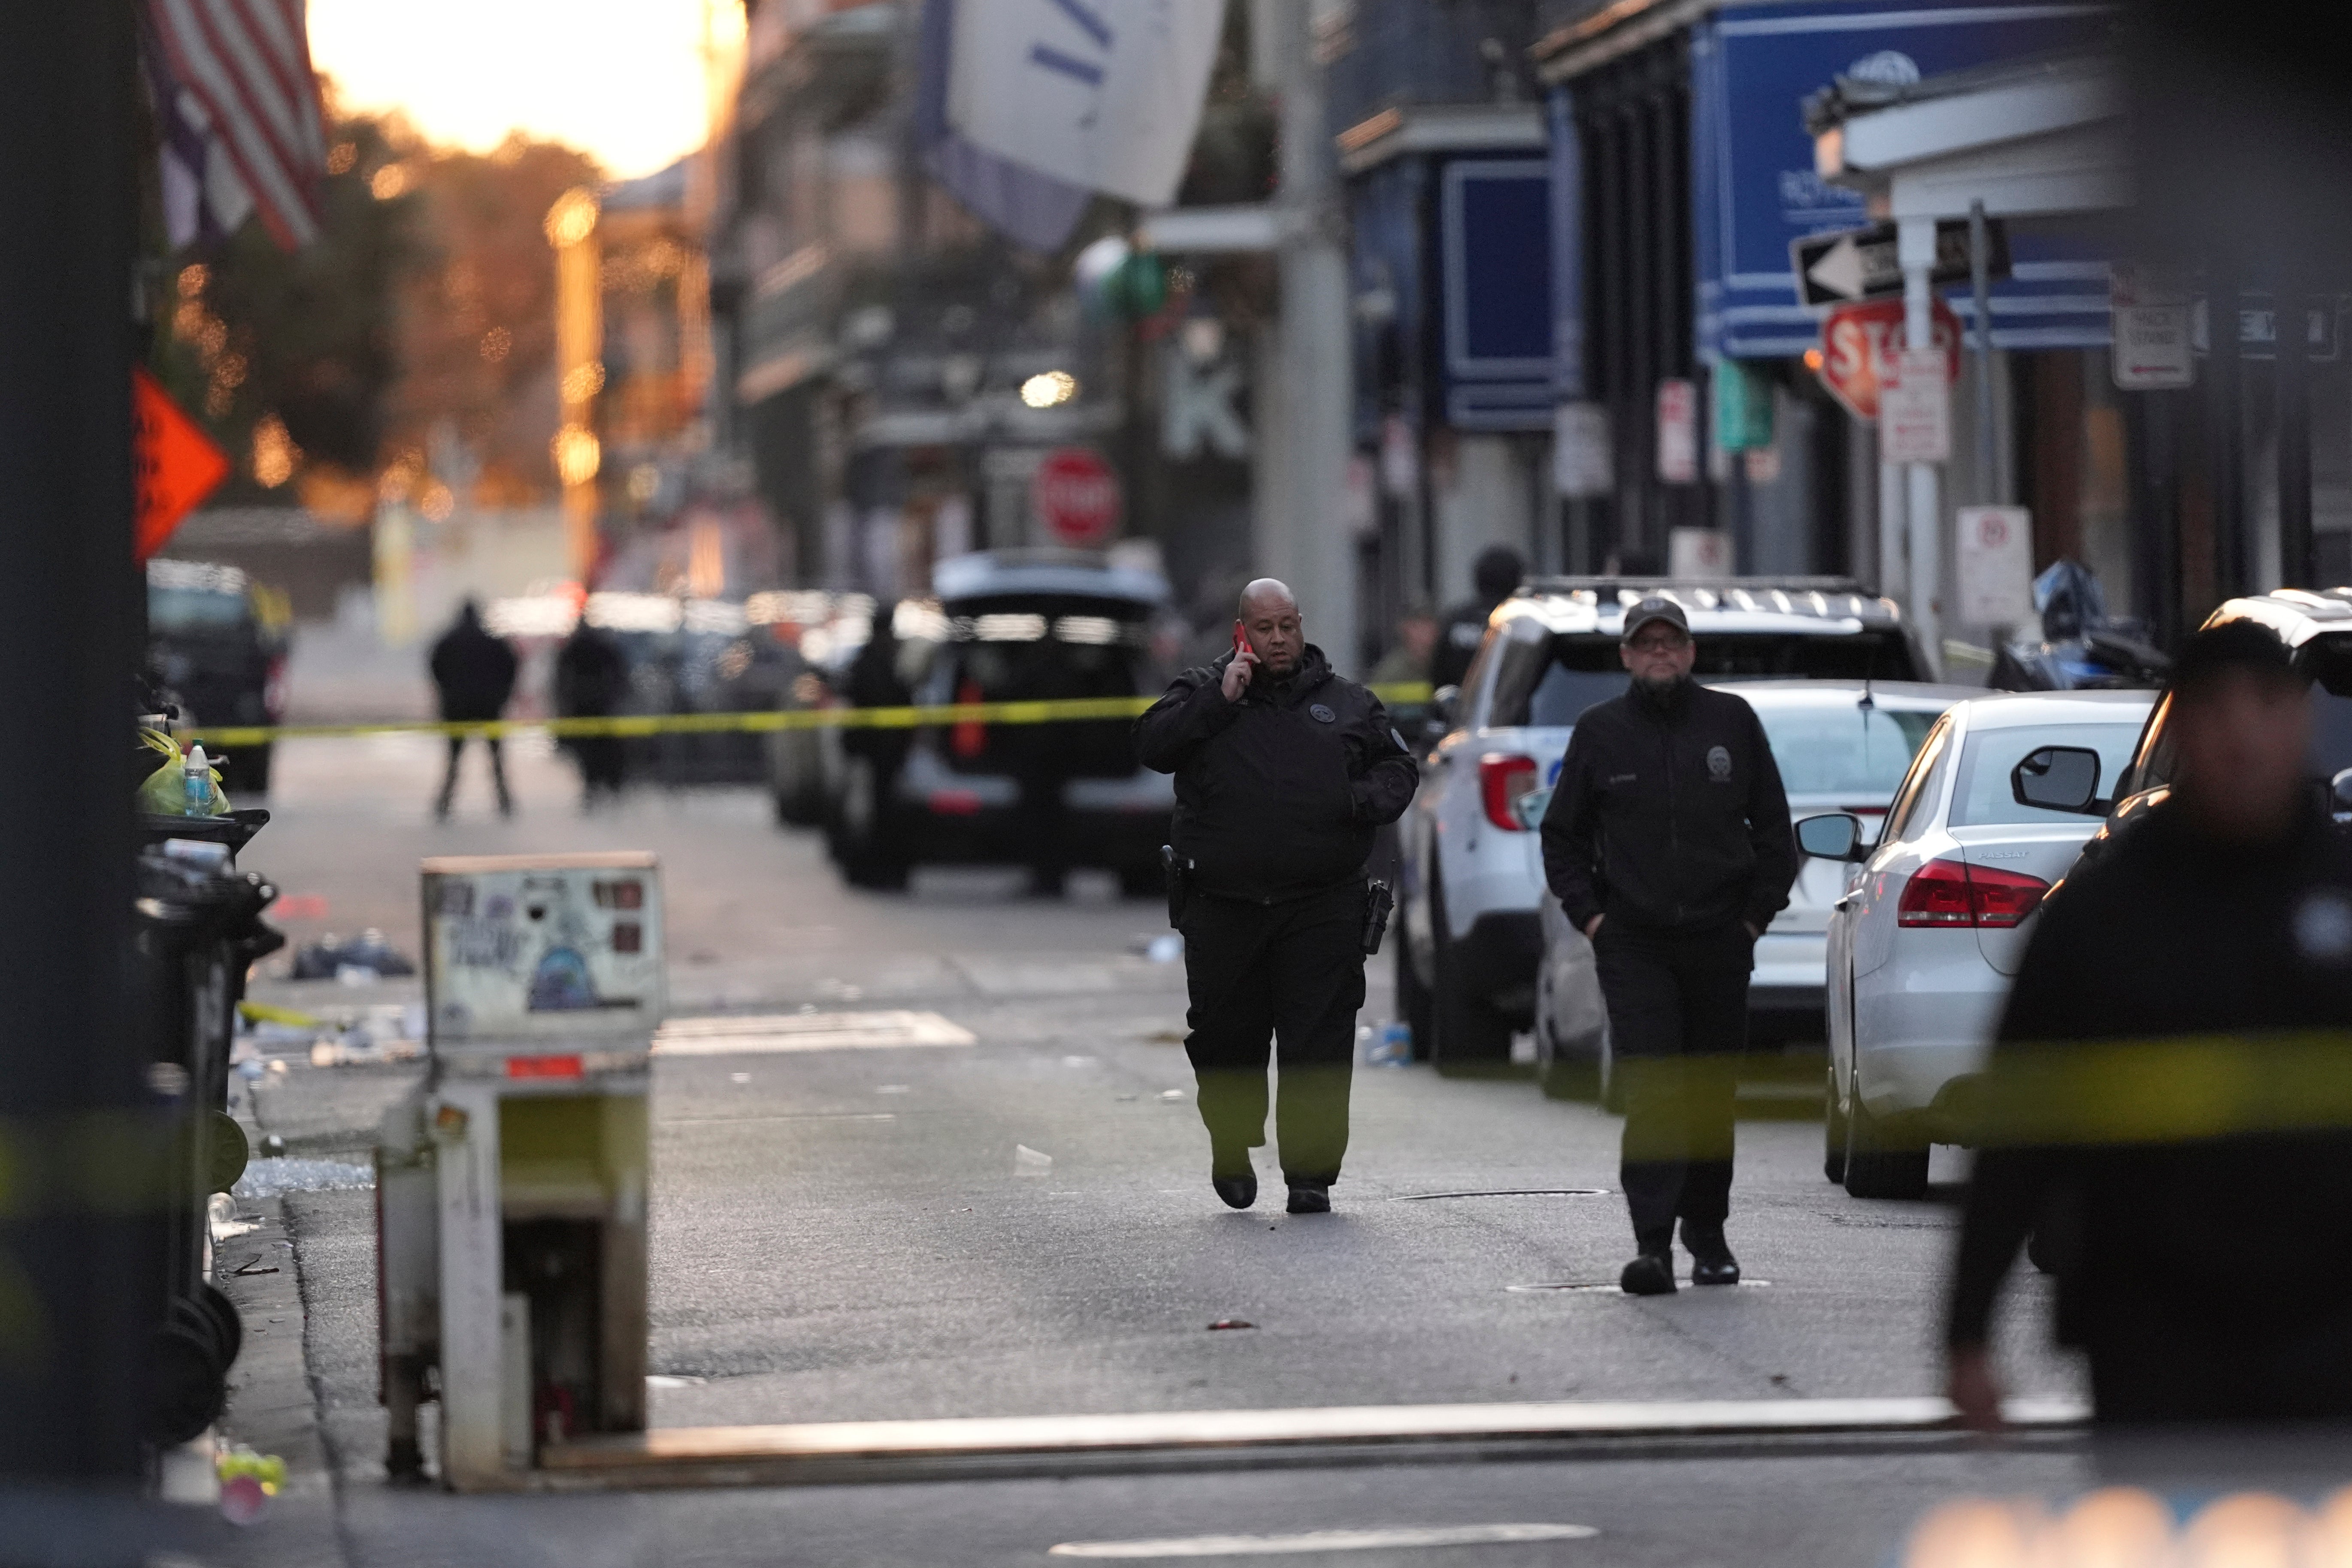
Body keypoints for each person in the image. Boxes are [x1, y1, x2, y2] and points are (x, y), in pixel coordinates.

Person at [1946, 621, 2352, 1441]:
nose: (2242, 734)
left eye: (2267, 705)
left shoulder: (2341, 893)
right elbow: (2019, 1127)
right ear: (2180, 731)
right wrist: (1968, 1330)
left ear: (2299, 721)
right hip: (2153, 1328)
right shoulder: (2101, 914)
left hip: (2331, 1322)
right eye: (2214, 709)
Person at [1135, 578, 1419, 1215]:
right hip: (1223, 903)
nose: (1279, 639)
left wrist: (1353, 803)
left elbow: (1398, 768)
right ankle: (1232, 1146)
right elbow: (1152, 745)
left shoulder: (1346, 702)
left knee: (1317, 1039)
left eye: (1287, 625)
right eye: (1264, 628)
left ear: (1300, 624)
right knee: (1225, 1038)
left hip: (1320, 904)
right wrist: (1218, 699)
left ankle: (1310, 1174)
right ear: (1243, 632)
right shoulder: (1205, 692)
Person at [1539, 595, 1797, 1294]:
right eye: (1644, 642)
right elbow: (1561, 837)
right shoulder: (1599, 731)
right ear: (1625, 655)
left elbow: (1776, 833)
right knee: (1655, 1089)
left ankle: (1707, 1234)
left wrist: (1752, 920)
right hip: (1635, 943)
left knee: (1709, 1091)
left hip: (1720, 938)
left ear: (1690, 651)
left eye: (1670, 642)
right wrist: (1594, 920)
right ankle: (1651, 1244)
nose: (1659, 652)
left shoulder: (1731, 722)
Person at [429, 598, 519, 820]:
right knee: (496, 760)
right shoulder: (493, 642)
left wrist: (447, 694)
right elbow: (512, 665)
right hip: (489, 706)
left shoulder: (449, 641)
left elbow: (435, 668)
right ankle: (504, 803)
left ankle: (444, 804)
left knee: (453, 760)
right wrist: (502, 695)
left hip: (457, 707)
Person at [554, 618, 629, 810]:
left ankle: (593, 786)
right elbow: (619, 673)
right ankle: (609, 786)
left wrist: (565, 704)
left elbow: (561, 679)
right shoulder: (602, 646)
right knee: (605, 748)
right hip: (602, 706)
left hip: (582, 707)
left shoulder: (573, 648)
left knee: (587, 751)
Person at [1429, 545, 1525, 693]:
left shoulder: (1457, 621)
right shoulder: (1523, 622)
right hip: (1512, 710)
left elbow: (1440, 675)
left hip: (1462, 710)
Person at [1369, 601, 1438, 688]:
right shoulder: (1391, 673)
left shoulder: (1446, 664)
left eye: (1428, 624)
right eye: (1416, 626)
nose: (1425, 633)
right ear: (1405, 629)